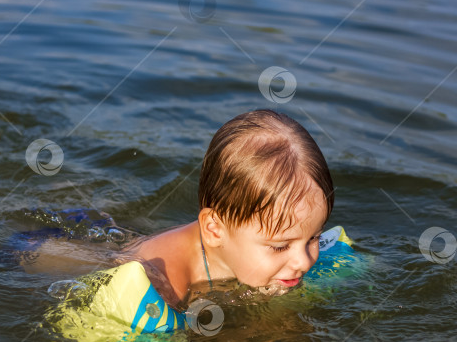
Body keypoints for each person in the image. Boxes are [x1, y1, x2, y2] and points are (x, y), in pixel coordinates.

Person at [111, 108, 335, 312]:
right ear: (215, 230)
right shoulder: (167, 283)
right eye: (280, 247)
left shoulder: (273, 248)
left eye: (313, 237)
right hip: (103, 255)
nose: (304, 261)